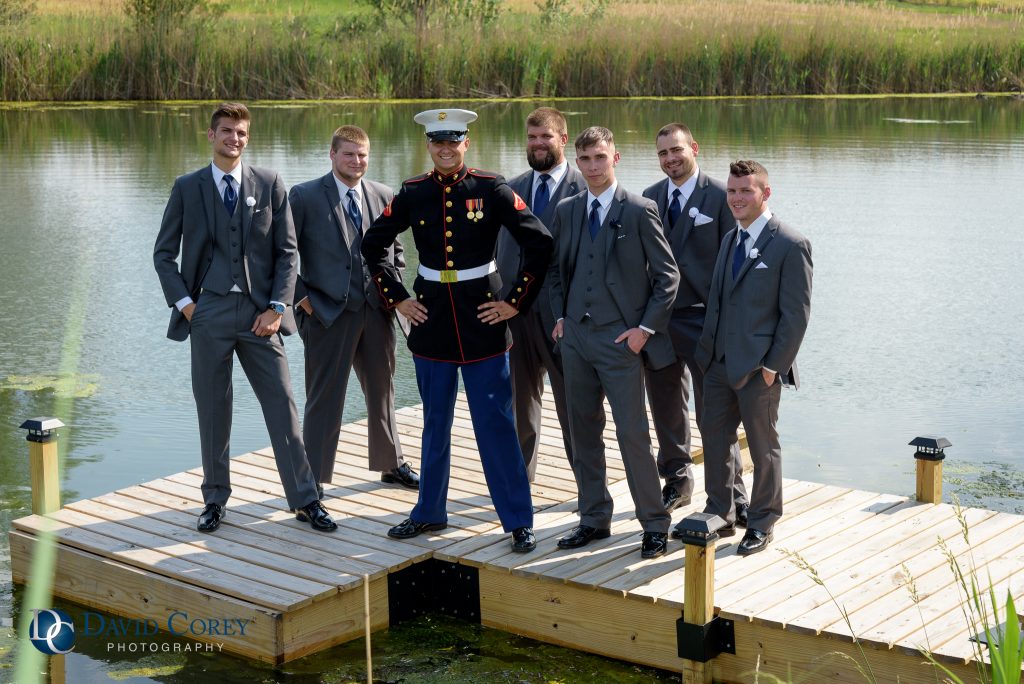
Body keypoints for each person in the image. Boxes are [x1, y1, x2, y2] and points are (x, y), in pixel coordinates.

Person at [360, 108, 553, 553]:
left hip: (482, 318)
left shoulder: (491, 188)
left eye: (453, 142)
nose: (445, 149)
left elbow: (539, 242)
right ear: (429, 146)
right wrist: (397, 298)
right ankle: (429, 511)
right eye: (437, 142)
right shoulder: (412, 192)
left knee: (496, 423)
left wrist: (513, 302)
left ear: (466, 143)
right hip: (430, 319)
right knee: (434, 422)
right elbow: (372, 245)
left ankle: (517, 520)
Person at [153, 102, 336, 533]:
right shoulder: (187, 187)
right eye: (226, 131)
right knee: (213, 410)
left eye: (241, 133)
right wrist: (187, 306)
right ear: (211, 135)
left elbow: (288, 253)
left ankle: (306, 499)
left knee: (283, 406)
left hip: (261, 315)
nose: (234, 138)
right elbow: (163, 255)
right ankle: (214, 500)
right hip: (208, 312)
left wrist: (277, 308)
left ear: (247, 138)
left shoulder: (270, 183)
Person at [547, 126, 679, 559]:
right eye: (584, 160)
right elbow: (553, 273)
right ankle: (593, 518)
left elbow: (667, 278)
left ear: (615, 158)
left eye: (599, 158)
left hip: (622, 342)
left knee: (633, 435)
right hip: (576, 340)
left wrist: (644, 330)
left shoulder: (641, 210)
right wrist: (561, 317)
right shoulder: (566, 210)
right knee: (582, 432)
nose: (592, 167)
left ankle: (655, 523)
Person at [289, 125, 419, 497]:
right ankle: (311, 479)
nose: (357, 161)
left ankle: (391, 464)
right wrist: (301, 298)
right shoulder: (305, 196)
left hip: (377, 310)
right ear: (332, 155)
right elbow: (281, 254)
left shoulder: (382, 194)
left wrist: (393, 293)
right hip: (326, 313)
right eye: (349, 154)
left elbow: (395, 250)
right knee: (325, 397)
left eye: (362, 154)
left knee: (383, 390)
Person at [695, 160, 812, 555]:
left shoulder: (790, 244)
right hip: (717, 364)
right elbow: (718, 302)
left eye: (745, 190)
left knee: (764, 447)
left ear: (766, 192)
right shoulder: (731, 238)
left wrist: (771, 368)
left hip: (759, 368)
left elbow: (796, 317)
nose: (736, 198)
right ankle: (721, 512)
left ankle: (762, 522)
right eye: (731, 191)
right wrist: (706, 356)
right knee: (715, 441)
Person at [641, 123, 748, 523]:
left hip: (706, 321)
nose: (670, 158)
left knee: (715, 413)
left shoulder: (722, 196)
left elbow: (736, 265)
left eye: (676, 150)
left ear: (694, 149)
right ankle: (677, 481)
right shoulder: (649, 198)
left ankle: (733, 495)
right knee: (666, 406)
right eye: (663, 153)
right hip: (661, 321)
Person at [496, 107, 585, 477]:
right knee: (519, 401)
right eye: (532, 138)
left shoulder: (586, 188)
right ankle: (520, 479)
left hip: (562, 316)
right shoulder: (510, 188)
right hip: (515, 314)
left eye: (545, 137)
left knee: (574, 403)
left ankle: (587, 484)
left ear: (562, 139)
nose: (537, 144)